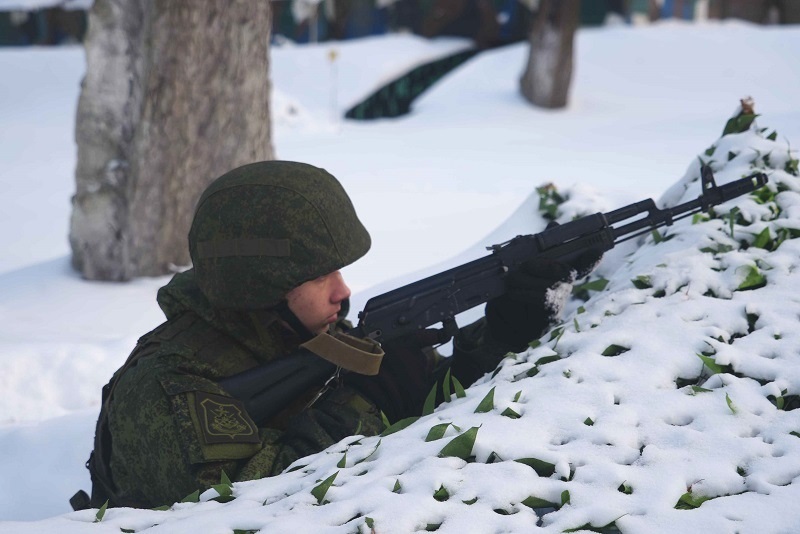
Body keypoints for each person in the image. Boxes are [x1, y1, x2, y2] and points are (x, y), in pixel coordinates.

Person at [72, 160, 596, 510]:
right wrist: (365, 405)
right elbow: (248, 509)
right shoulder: (169, 391)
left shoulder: (300, 332)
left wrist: (504, 332)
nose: (342, 292)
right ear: (265, 285)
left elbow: (433, 399)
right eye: (320, 275)